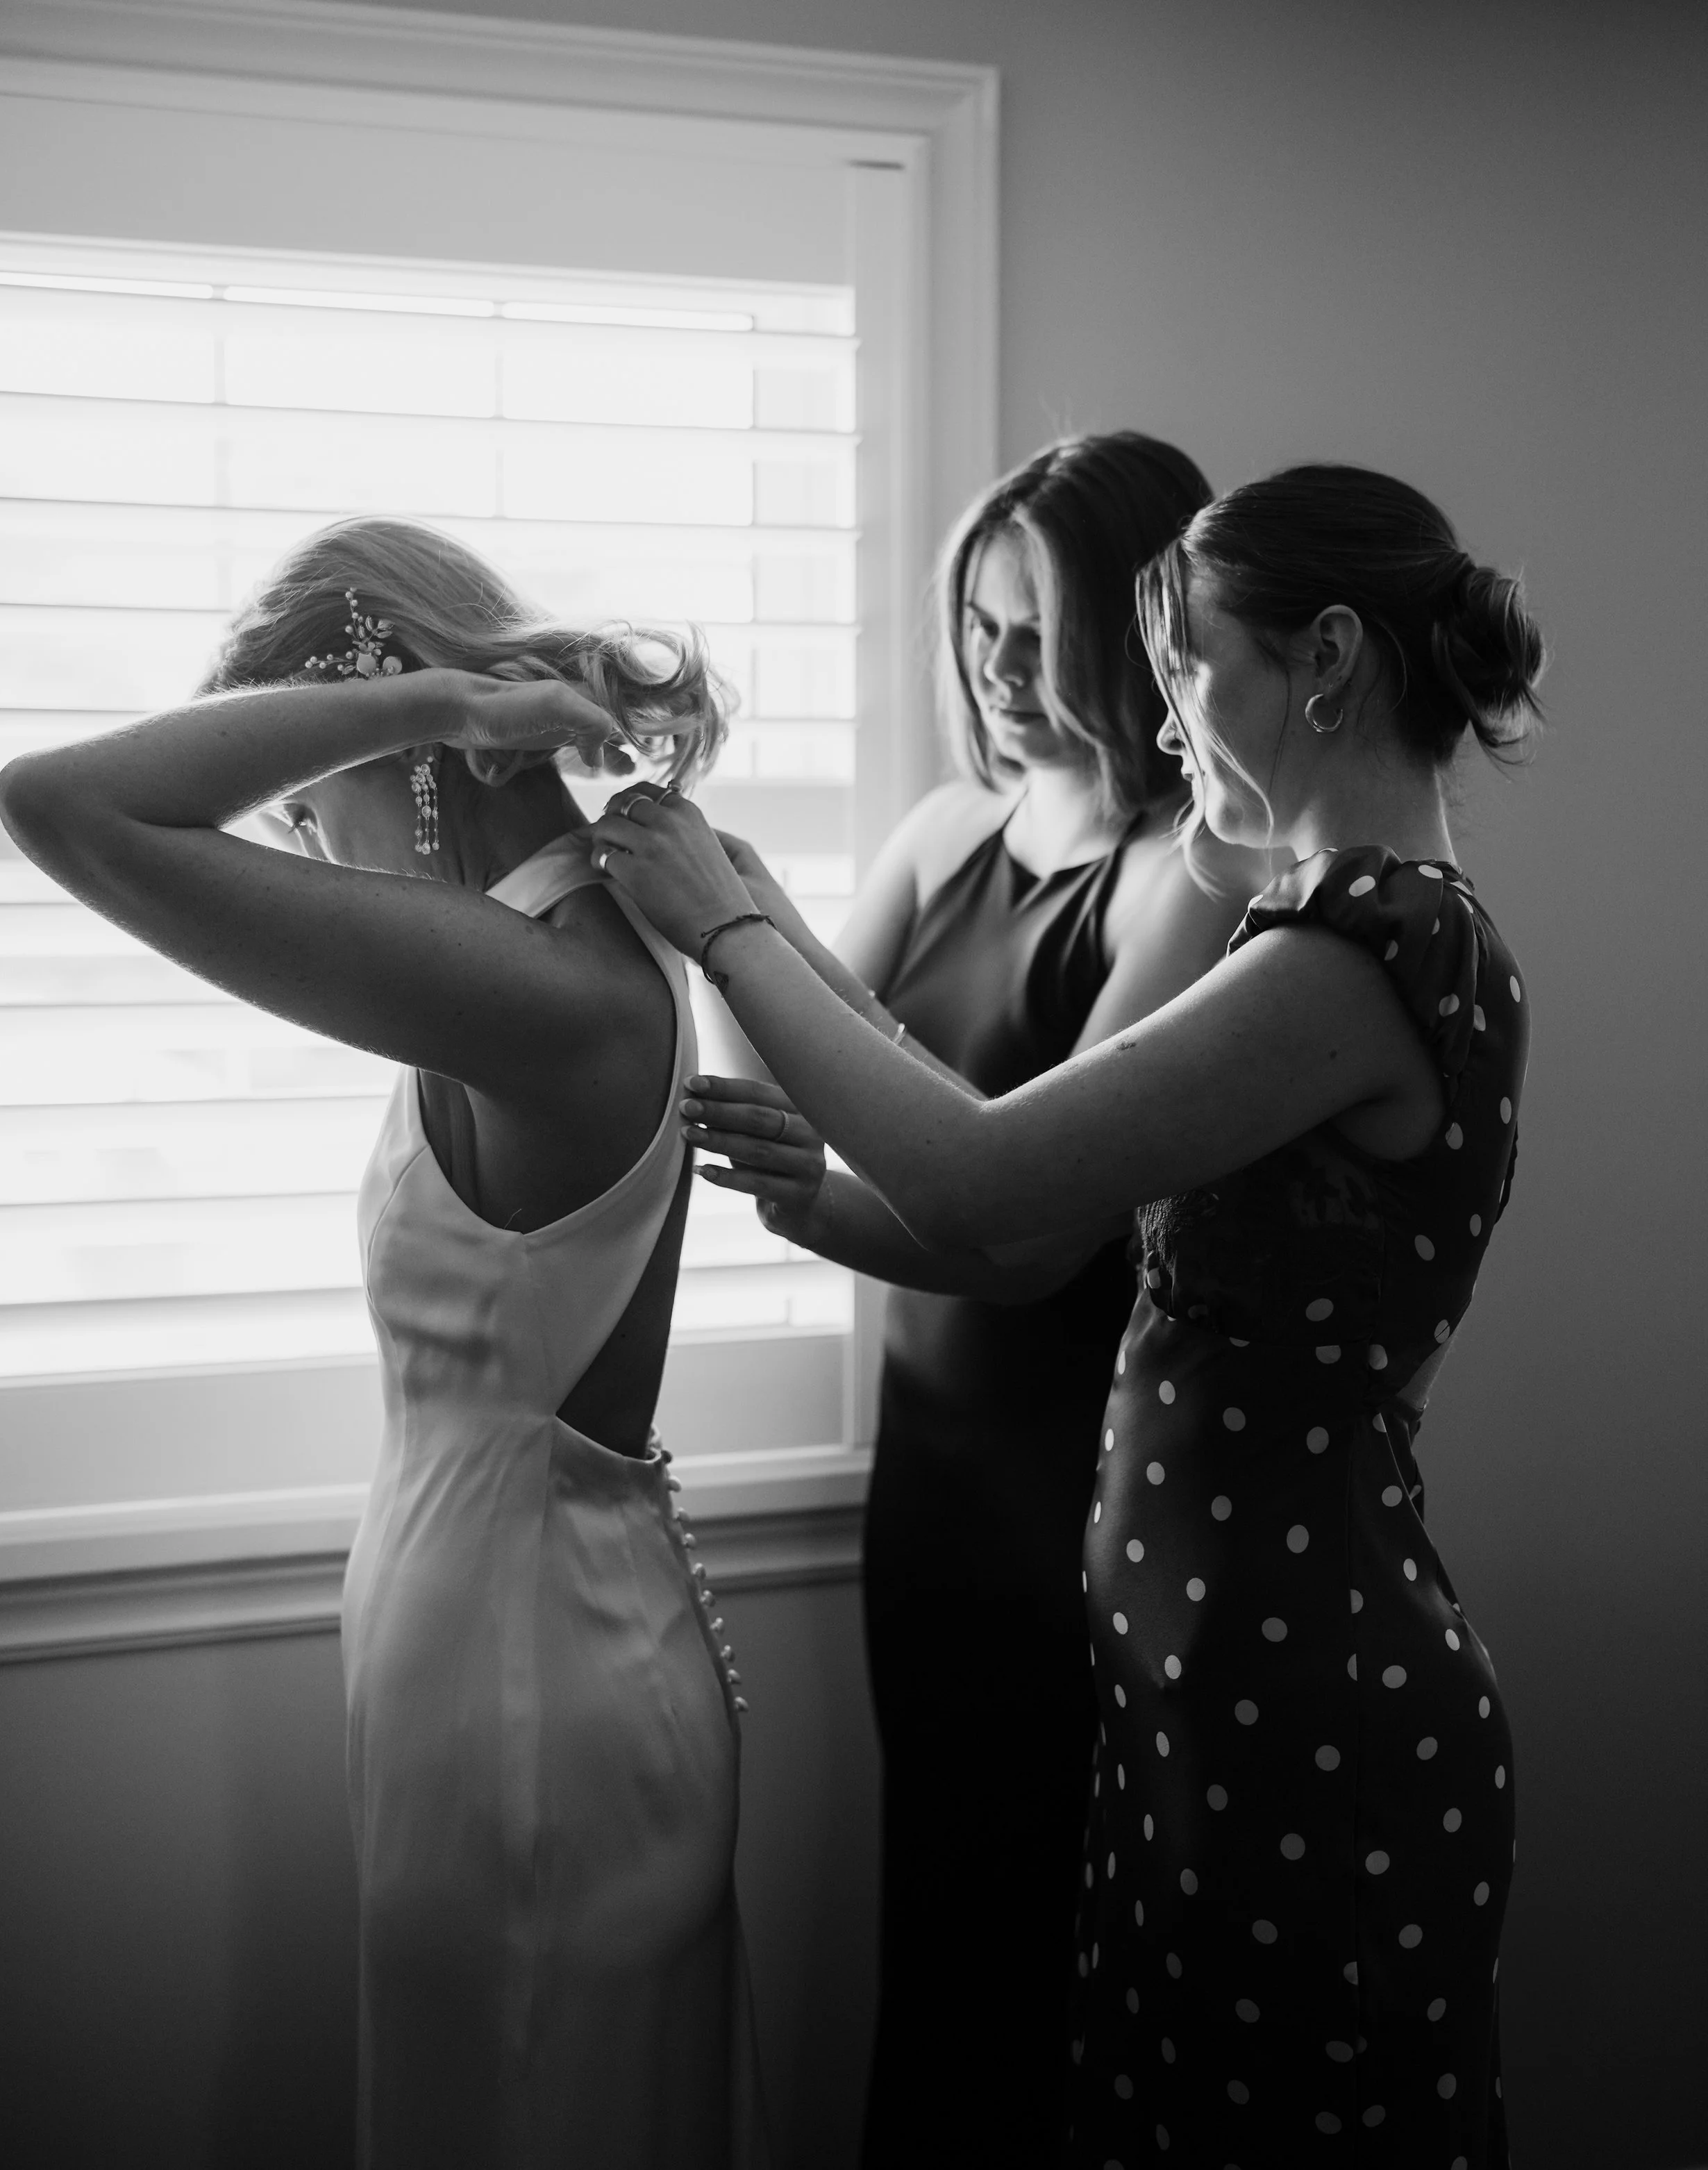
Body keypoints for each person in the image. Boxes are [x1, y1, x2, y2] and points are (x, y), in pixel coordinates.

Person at [584, 462, 1541, 2166]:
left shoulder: (1359, 948)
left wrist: (725, 927)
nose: (1169, 718)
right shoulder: (1325, 928)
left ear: (1323, 663)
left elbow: (989, 1186)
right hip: (1203, 1681)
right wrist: (770, 934)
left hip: (1300, 1706)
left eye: (1191, 664)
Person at [0, 517, 771, 2170]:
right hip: (494, 1660)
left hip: (529, 1700)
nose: (305, 837)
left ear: (416, 750)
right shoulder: (514, 952)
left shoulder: (545, 983)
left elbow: (56, 803)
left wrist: (425, 699)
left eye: (306, 795)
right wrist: (412, 708)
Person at [719, 433, 1261, 2162]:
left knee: (1061, 1943)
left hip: (1084, 1491)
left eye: (1039, 632)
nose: (1000, 672)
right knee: (940, 1923)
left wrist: (818, 1200)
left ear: (1139, 628)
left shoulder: (1192, 876)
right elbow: (799, 1065)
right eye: (976, 627)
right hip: (932, 1482)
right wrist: (727, 907)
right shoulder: (946, 830)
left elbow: (1027, 1223)